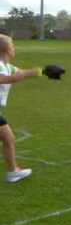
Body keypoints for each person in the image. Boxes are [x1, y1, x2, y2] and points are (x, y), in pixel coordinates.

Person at [0, 34, 43, 183]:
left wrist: (43, 71)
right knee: (8, 138)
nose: (14, 49)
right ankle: (12, 172)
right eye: (12, 46)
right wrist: (14, 78)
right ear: (5, 49)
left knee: (8, 138)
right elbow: (5, 78)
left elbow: (22, 72)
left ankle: (13, 172)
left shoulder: (7, 66)